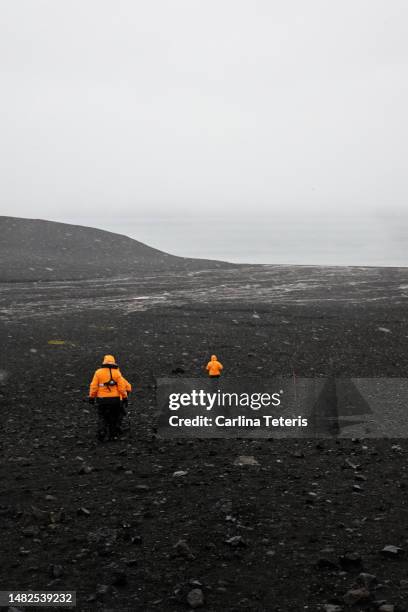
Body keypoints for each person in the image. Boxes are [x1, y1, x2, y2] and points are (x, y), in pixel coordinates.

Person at [88, 355, 131, 441]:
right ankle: (113, 435)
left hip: (102, 400)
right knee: (114, 418)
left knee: (102, 416)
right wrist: (125, 397)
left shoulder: (98, 372)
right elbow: (122, 387)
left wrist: (91, 397)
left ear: (104, 362)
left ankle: (102, 431)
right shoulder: (117, 373)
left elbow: (94, 386)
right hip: (115, 400)